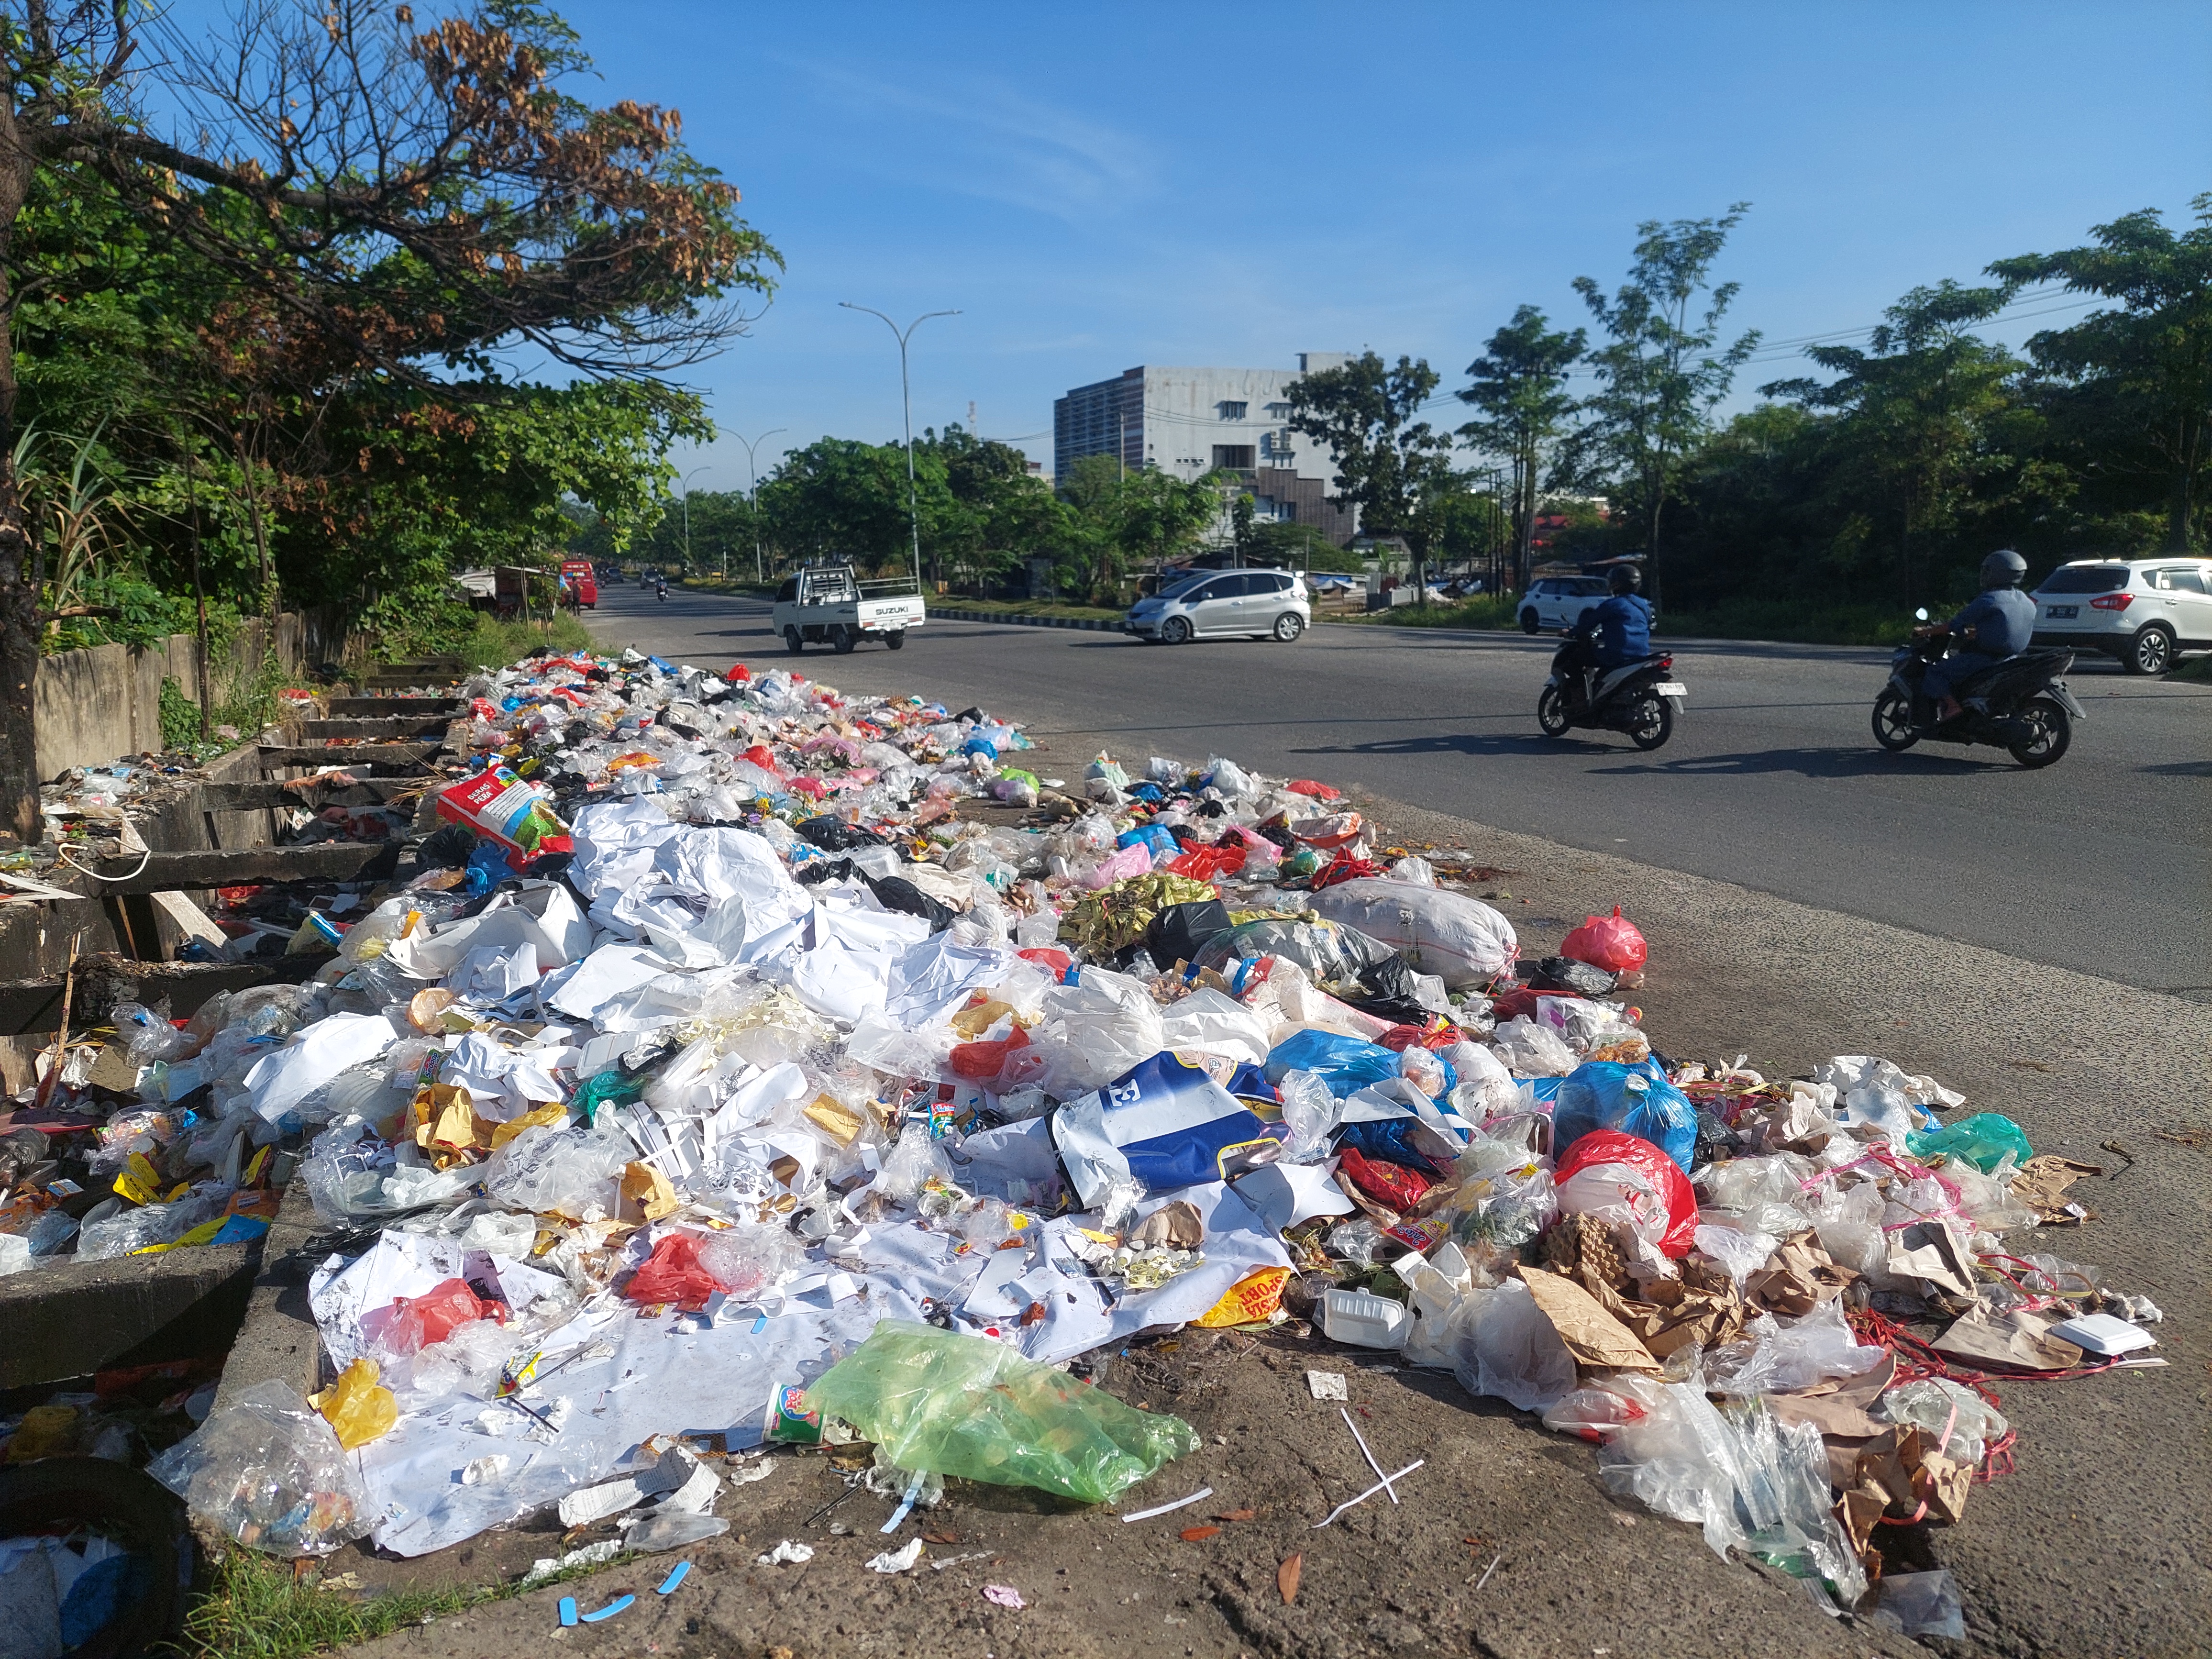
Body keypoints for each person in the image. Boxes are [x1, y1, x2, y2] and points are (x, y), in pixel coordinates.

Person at [1919, 550, 2034, 722]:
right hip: (2011, 659)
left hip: (1985, 659)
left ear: (1997, 573)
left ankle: (1952, 706)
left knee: (1935, 673)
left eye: (1988, 571)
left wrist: (1925, 631)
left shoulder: (1989, 599)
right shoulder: (2025, 599)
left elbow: (1954, 625)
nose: (1985, 575)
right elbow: (2004, 629)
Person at [1561, 565, 1655, 706]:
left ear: (1616, 583)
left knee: (1573, 660)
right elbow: (1638, 626)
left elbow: (1587, 625)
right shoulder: (1644, 605)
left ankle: (1580, 700)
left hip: (1616, 656)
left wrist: (1571, 633)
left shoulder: (1613, 605)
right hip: (1642, 656)